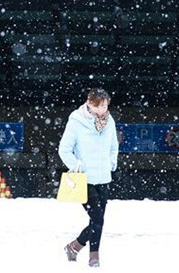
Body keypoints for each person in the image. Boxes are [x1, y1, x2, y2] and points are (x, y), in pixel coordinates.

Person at [58, 88, 119, 268]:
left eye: (105, 105)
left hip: (104, 178)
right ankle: (94, 257)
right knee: (98, 219)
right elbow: (64, 149)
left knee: (96, 221)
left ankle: (74, 246)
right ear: (89, 103)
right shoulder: (76, 121)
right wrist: (77, 166)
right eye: (99, 106)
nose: (102, 109)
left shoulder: (110, 122)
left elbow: (114, 146)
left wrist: (111, 163)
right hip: (84, 179)